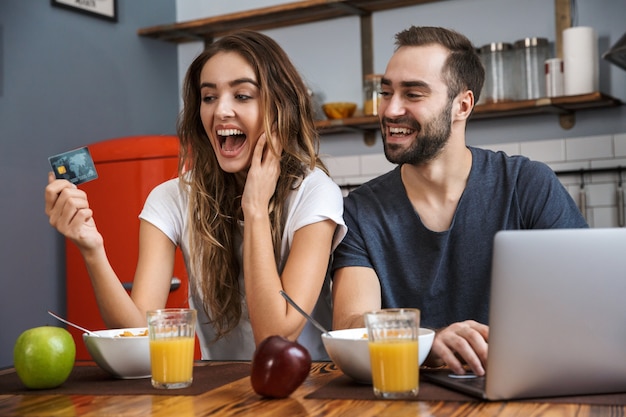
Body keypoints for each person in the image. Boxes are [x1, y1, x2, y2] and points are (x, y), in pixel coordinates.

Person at [45, 30, 346, 361]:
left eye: (242, 96)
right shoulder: (170, 198)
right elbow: (139, 334)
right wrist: (92, 249)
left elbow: (274, 336)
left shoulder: (315, 193)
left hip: (311, 388)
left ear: (281, 107)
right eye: (209, 97)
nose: (221, 112)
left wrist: (255, 208)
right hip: (218, 390)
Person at [331, 26, 587, 375]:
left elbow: (584, 303)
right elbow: (350, 325)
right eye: (386, 92)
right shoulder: (360, 210)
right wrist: (428, 343)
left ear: (462, 105)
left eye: (413, 94)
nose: (390, 110)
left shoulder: (526, 185)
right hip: (403, 401)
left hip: (522, 388)